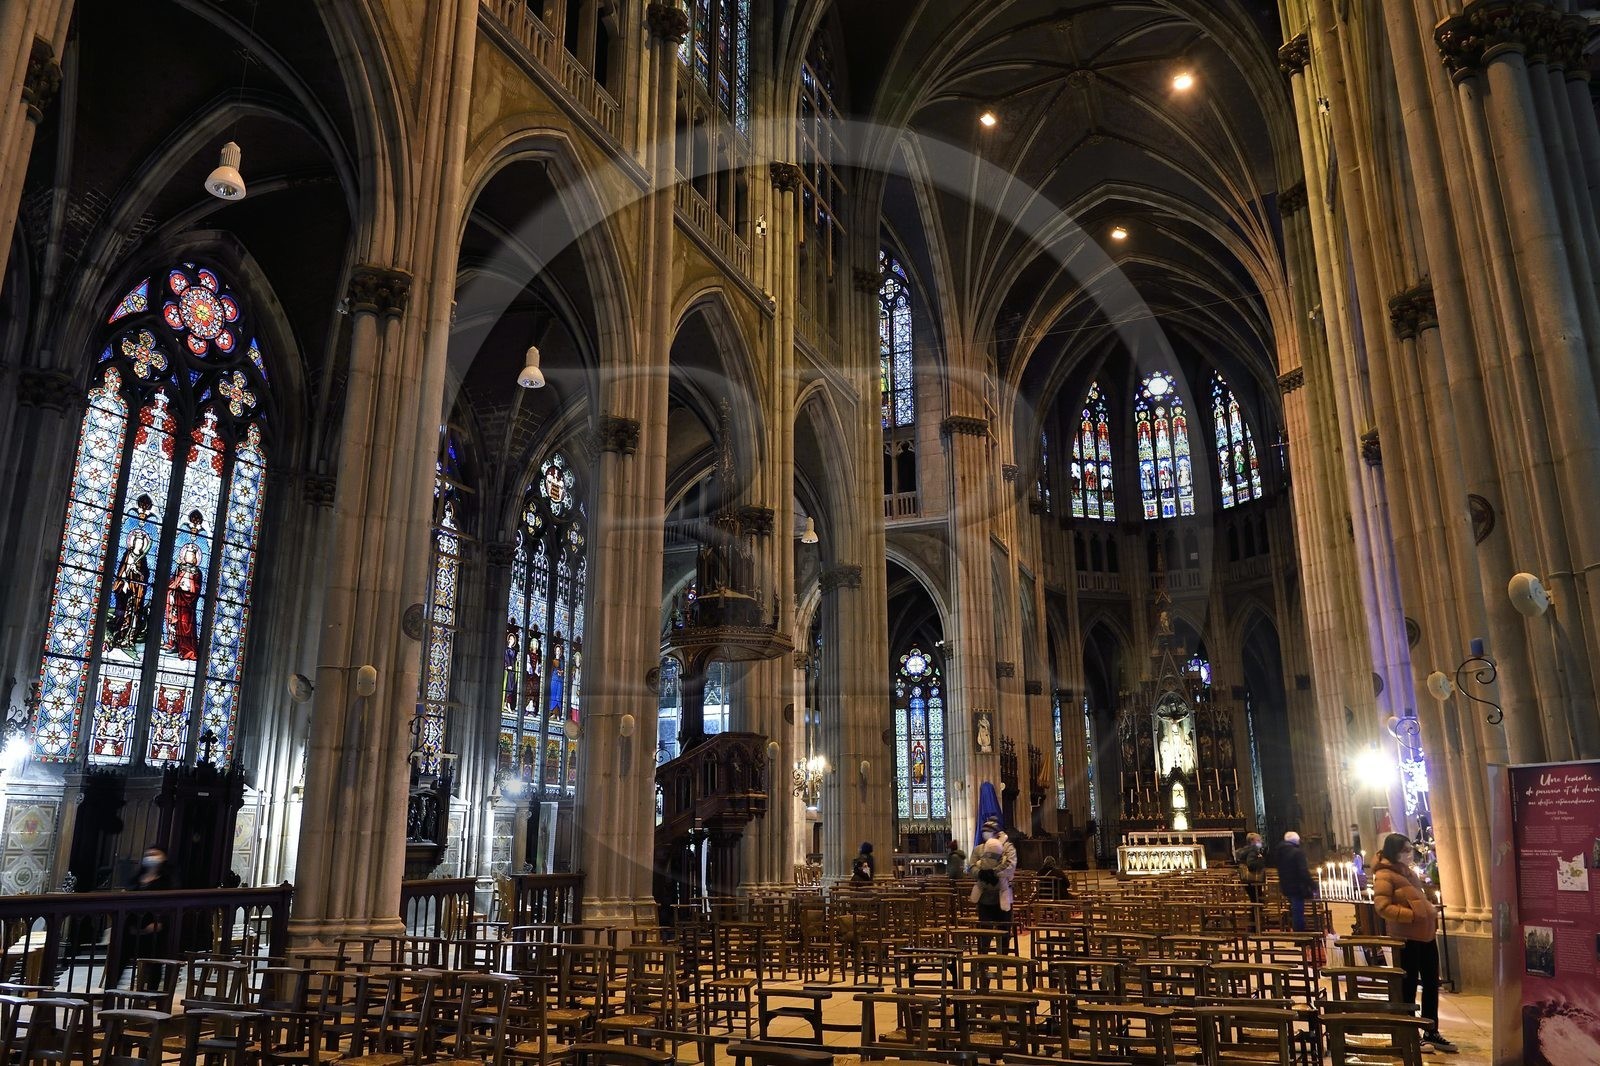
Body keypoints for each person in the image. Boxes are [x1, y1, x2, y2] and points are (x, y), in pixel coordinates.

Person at [1373, 833, 1458, 1054]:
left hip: (1426, 935)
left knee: (1431, 983)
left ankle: (1431, 1030)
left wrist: (1428, 910)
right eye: (1406, 849)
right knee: (1408, 985)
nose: (1410, 853)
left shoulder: (1408, 872)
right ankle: (1410, 1033)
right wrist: (1412, 915)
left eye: (1410, 849)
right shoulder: (1384, 875)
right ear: (1395, 851)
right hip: (1406, 938)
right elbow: (1382, 907)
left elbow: (1417, 898)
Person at [118, 846, 176, 988]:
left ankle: (151, 992)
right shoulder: (137, 879)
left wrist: (160, 921)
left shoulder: (166, 881)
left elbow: (170, 904)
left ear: (163, 858)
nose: (150, 857)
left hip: (154, 927)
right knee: (120, 958)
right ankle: (110, 990)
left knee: (154, 960)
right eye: (148, 854)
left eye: (155, 854)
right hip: (132, 925)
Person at [967, 817, 1017, 951]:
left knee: (1004, 931)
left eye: (988, 831)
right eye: (984, 831)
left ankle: (1003, 960)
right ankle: (983, 961)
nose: (985, 834)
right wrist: (981, 874)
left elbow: (1010, 866)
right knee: (984, 932)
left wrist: (993, 873)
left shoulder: (1008, 847)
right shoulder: (978, 849)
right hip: (984, 896)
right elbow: (971, 867)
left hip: (1002, 895)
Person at [1273, 830, 1314, 931]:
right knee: (1298, 912)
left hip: (1286, 885)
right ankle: (1300, 936)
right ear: (1296, 841)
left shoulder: (1280, 852)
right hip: (1297, 886)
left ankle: (1297, 932)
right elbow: (1303, 871)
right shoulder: (1297, 852)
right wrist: (1312, 885)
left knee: (1295, 910)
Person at [1234, 831, 1268, 904]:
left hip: (1247, 880)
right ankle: (1256, 915)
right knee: (1257, 901)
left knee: (1254, 900)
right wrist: (1261, 859)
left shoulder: (1245, 850)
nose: (1260, 842)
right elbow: (1251, 864)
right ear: (1252, 841)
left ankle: (1255, 914)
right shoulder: (1253, 850)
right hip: (1253, 880)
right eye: (1258, 840)